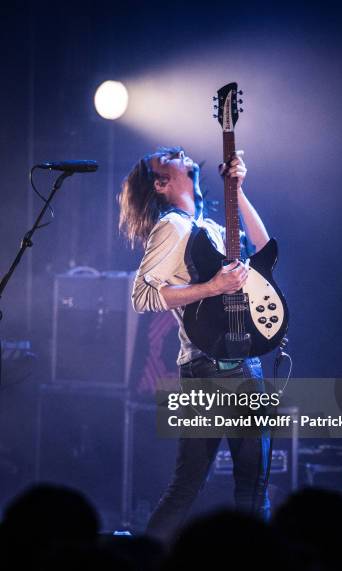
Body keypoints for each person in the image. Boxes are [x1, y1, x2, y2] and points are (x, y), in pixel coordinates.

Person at [119, 146, 273, 540]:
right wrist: (211, 287)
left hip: (228, 361)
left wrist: (237, 191)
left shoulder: (205, 226)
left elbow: (262, 246)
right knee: (249, 486)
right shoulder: (173, 226)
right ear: (161, 182)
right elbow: (142, 296)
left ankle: (140, 564)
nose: (177, 151)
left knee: (196, 485)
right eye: (165, 157)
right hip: (213, 365)